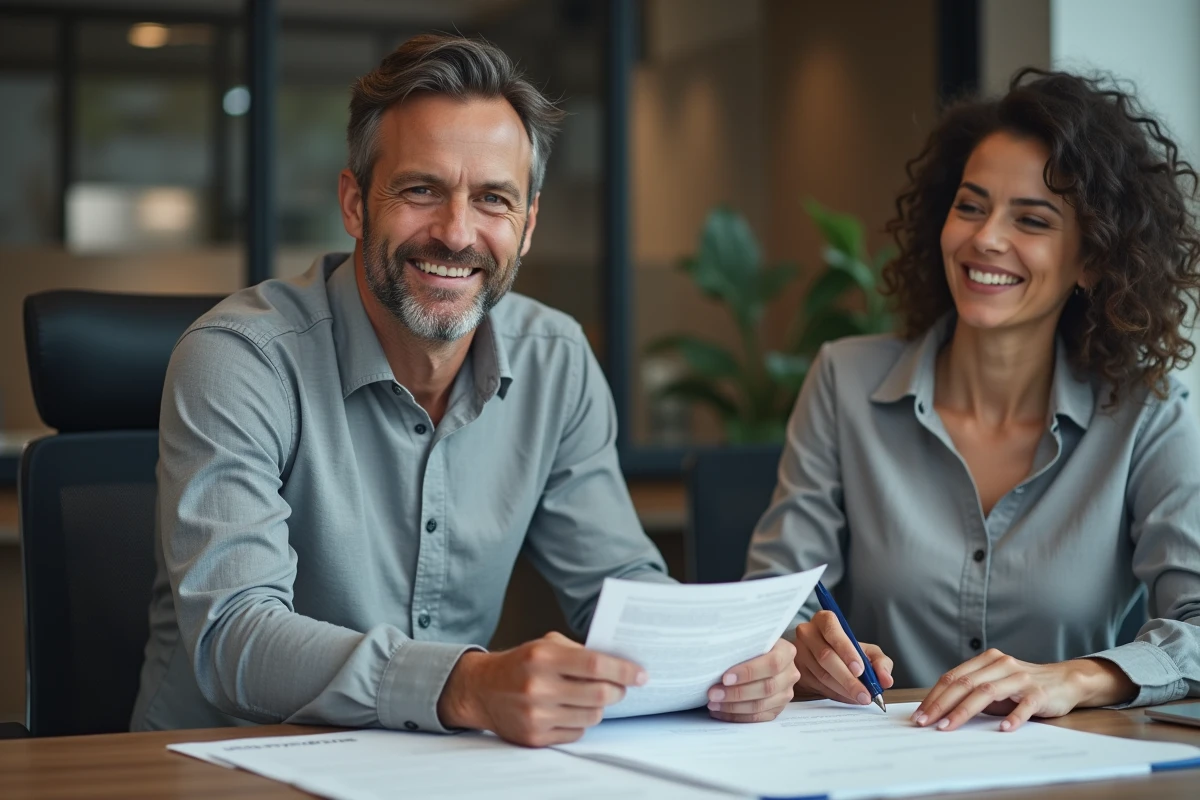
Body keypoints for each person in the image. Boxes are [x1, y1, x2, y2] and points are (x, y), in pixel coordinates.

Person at [131, 34, 797, 746]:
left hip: (436, 769)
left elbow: (618, 583)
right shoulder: (241, 360)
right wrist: (468, 684)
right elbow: (235, 636)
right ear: (355, 203)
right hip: (222, 766)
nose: (456, 233)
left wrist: (726, 666)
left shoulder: (557, 360)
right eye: (421, 190)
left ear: (528, 225)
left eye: (492, 199)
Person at [745, 68, 1200, 732]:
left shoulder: (1148, 414)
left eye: (1032, 219)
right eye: (970, 205)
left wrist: (1074, 677)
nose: (986, 238)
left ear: (1093, 259)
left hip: (1071, 774)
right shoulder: (844, 380)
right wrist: (800, 644)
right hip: (881, 762)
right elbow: (769, 602)